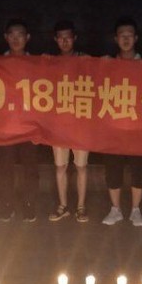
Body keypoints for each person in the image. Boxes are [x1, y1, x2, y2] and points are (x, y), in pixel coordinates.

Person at [0, 18, 39, 222]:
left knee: (30, 169)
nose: (16, 39)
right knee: (5, 169)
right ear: (6, 37)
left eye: (20, 35)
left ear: (28, 38)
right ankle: (7, 205)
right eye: (12, 35)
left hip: (29, 126)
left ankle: (30, 204)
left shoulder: (38, 64)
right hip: (6, 126)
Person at [102, 16, 142, 227]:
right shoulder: (108, 64)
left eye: (130, 35)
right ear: (116, 39)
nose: (126, 39)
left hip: (138, 127)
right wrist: (100, 66)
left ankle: (136, 210)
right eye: (122, 35)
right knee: (113, 168)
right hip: (114, 126)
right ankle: (116, 209)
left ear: (136, 38)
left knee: (139, 169)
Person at [48, 20, 89, 223]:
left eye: (68, 37)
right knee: (60, 166)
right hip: (59, 124)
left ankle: (81, 207)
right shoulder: (49, 63)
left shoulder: (85, 60)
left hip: (81, 123)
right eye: (61, 38)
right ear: (56, 40)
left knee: (81, 167)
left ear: (75, 39)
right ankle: (63, 206)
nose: (65, 41)